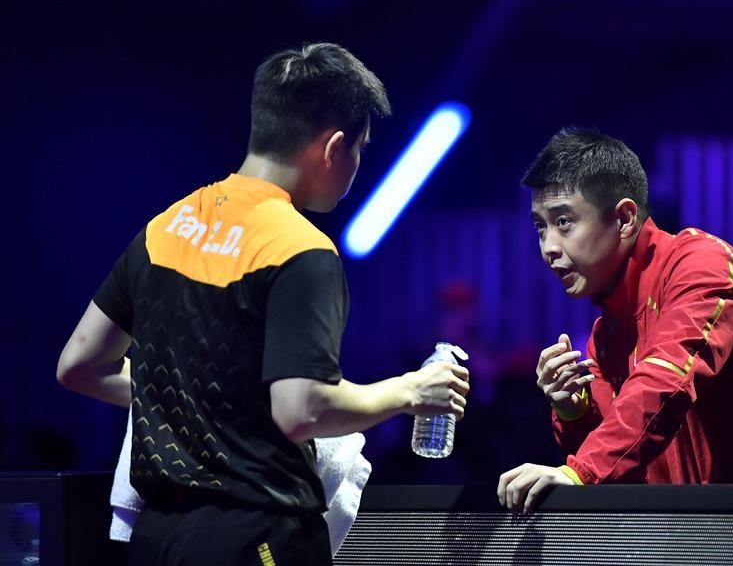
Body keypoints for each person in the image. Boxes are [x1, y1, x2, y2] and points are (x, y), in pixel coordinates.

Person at [57, 43, 470, 565]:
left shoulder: (165, 227)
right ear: (332, 148)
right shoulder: (301, 250)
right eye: (360, 149)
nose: (357, 164)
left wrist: (188, 399)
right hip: (257, 538)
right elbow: (301, 410)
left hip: (155, 540)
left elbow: (78, 367)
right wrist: (407, 392)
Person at [497, 128, 733, 513]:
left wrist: (580, 473)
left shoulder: (703, 266)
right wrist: (573, 411)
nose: (548, 247)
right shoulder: (608, 335)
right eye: (539, 227)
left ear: (626, 218)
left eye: (563, 222)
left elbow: (665, 383)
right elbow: (621, 466)